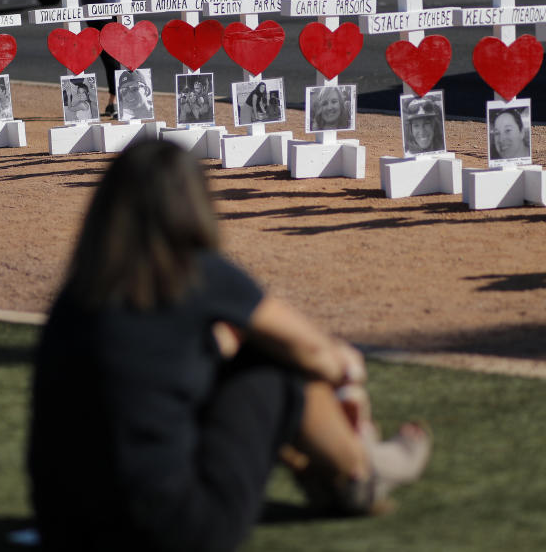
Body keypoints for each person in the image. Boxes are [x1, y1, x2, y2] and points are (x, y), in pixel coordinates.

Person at [28, 140, 432, 551]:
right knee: (272, 363)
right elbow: (316, 352)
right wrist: (348, 383)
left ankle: (331, 472)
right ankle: (362, 470)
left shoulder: (75, 295)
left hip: (64, 527)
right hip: (173, 531)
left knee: (224, 354)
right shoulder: (197, 273)